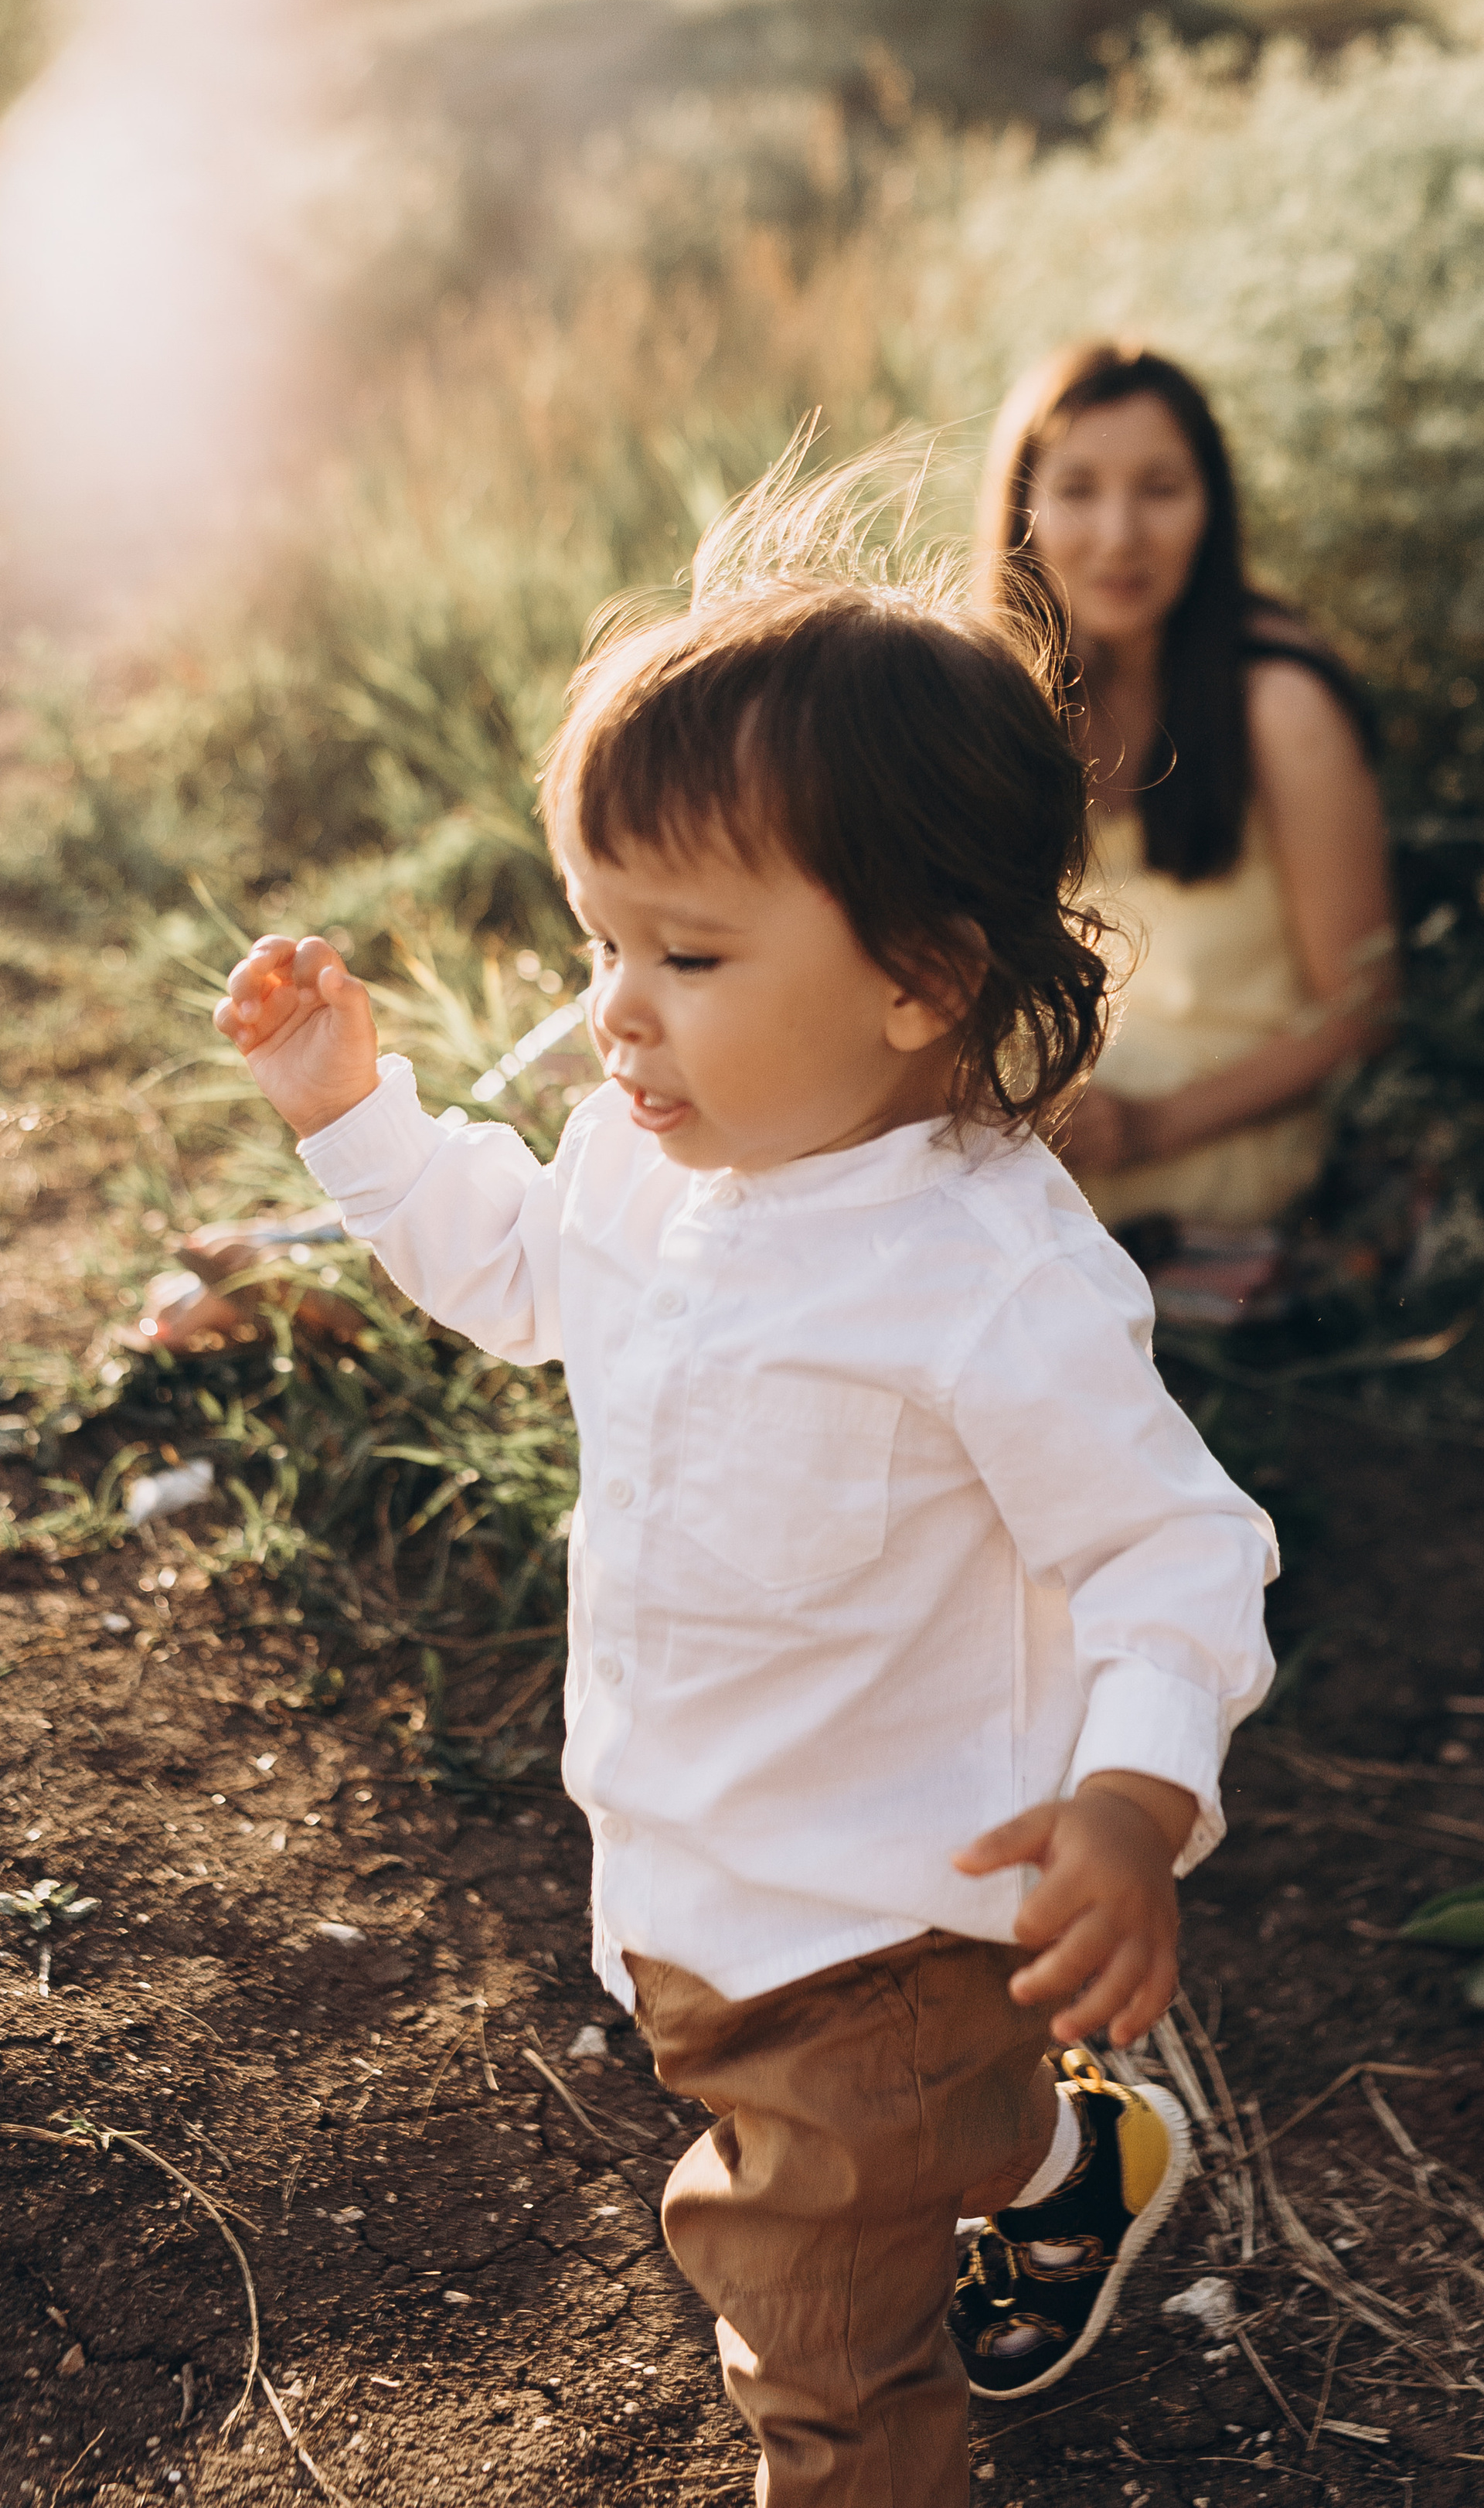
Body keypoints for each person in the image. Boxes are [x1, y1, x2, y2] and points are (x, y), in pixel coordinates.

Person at [214, 455, 1277, 2508]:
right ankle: (1068, 2157)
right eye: (601, 940)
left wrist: (1136, 1799)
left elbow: (1173, 1547)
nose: (616, 1012)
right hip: (691, 1864)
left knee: (813, 2321)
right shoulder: (646, 1150)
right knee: (936, 2134)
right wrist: (356, 1121)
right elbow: (521, 1276)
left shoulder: (985, 1277)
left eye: (687, 956)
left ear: (920, 981)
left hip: (881, 1916)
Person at [976, 344, 1395, 1292]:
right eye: (1078, 490)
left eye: (1159, 489)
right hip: (1063, 1105)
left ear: (1212, 507)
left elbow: (1364, 1010)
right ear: (1022, 511)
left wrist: (1146, 1129)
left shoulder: (1277, 706)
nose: (1120, 535)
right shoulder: (1003, 707)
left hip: (1218, 1130)